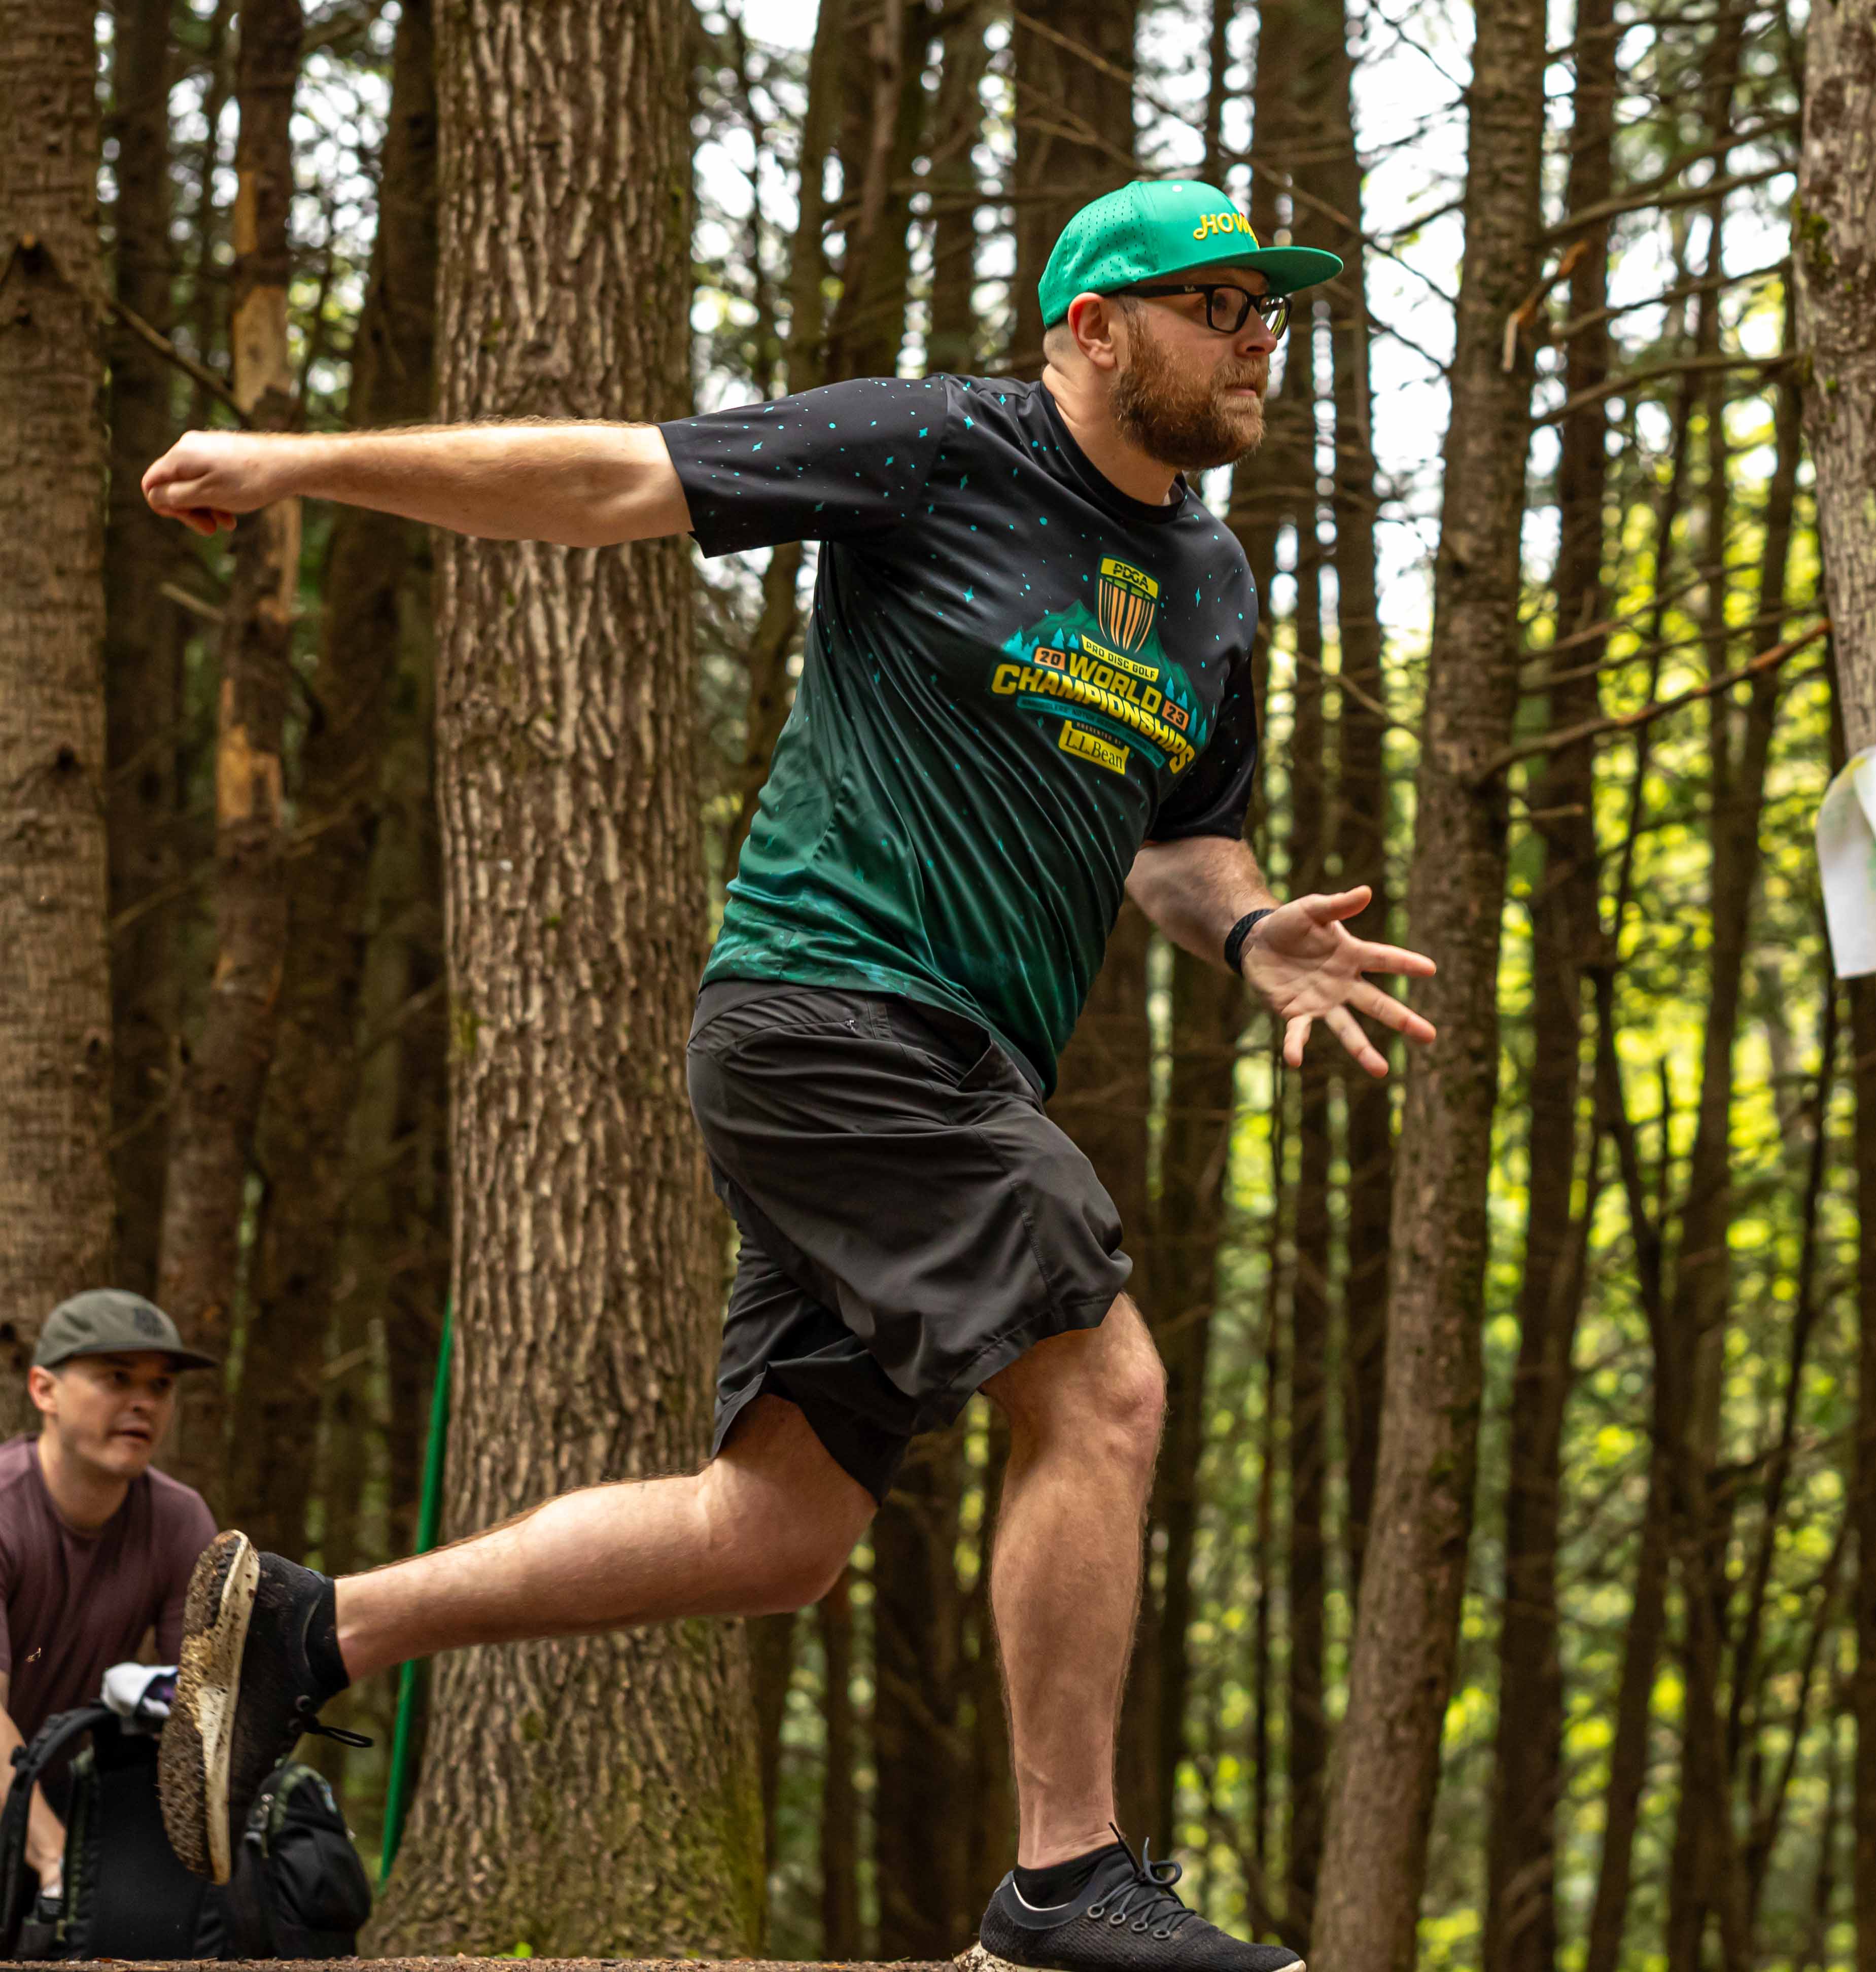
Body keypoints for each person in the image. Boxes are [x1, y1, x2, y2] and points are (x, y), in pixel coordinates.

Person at [138, 177, 1434, 1970]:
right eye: (1214, 305)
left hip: (950, 1065)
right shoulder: (937, 449)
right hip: (834, 1016)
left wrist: (1254, 928)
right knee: (1105, 1387)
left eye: (1266, 310)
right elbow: (607, 478)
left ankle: (312, 1627)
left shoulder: (1208, 586)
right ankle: (1065, 1884)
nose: (1255, 341)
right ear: (1089, 329)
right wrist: (301, 463)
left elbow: (1180, 845)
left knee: (776, 1532)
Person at [1, 1292, 219, 1905]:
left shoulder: (180, 1520)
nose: (143, 1401)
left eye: (160, 1384)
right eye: (117, 1377)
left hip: (66, 1793)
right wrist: (57, 1861)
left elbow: (203, 1709)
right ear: (44, 1389)